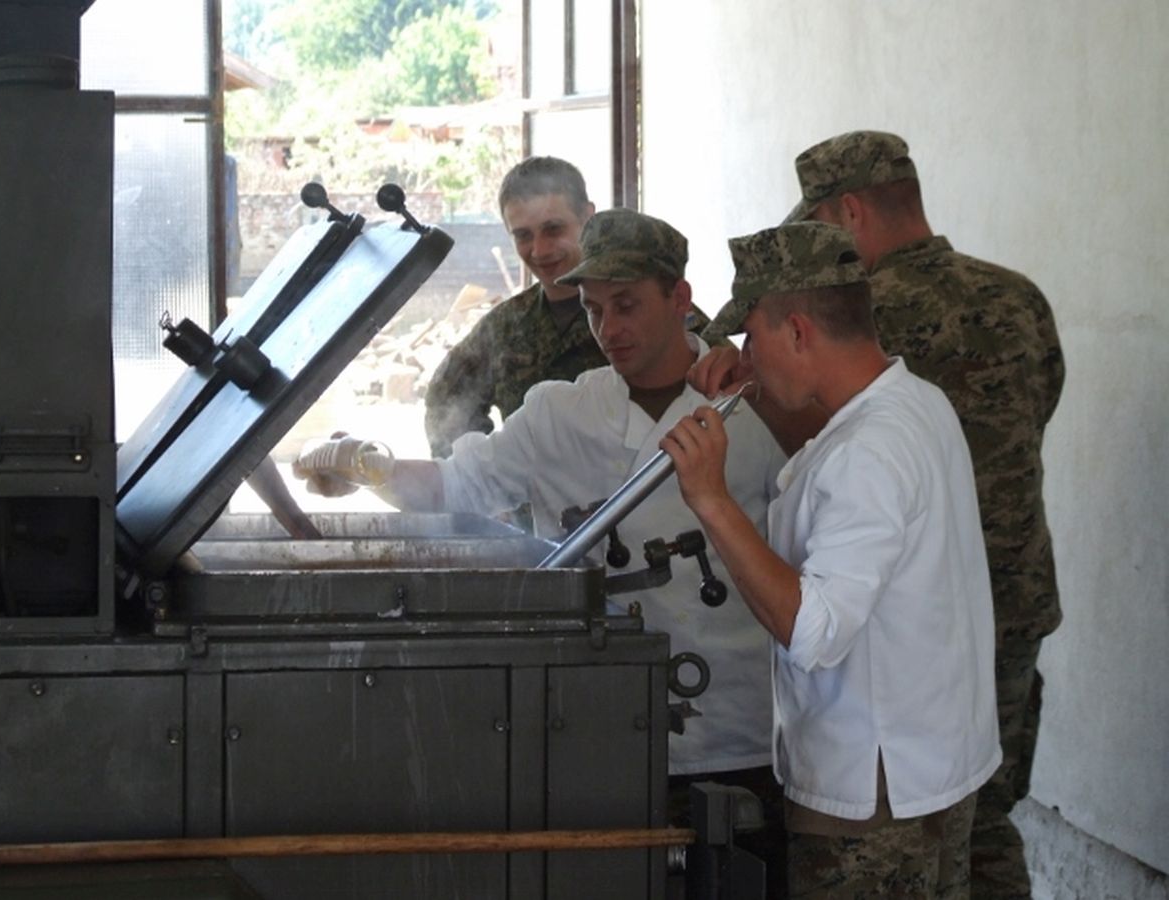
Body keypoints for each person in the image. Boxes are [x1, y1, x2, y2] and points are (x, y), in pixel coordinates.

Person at [297, 208, 789, 895]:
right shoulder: (560, 412)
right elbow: (456, 487)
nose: (608, 329)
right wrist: (365, 464)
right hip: (597, 732)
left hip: (741, 733)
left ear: (679, 297)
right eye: (593, 310)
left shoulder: (756, 405)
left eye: (627, 305)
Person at [662, 221, 1001, 898]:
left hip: (873, 803)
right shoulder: (914, 401)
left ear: (797, 331)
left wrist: (711, 499)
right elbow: (835, 464)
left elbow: (814, 631)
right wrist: (760, 387)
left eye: (751, 338)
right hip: (931, 765)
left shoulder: (867, 451)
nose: (745, 355)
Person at [781, 131, 1065, 899]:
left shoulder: (866, 316)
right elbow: (1042, 407)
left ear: (849, 210)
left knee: (920, 822)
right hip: (1014, 595)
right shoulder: (1018, 297)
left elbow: (818, 430)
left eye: (819, 226)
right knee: (985, 811)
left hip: (912, 619)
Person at [423, 156, 714, 460]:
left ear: (587, 217)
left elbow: (729, 381)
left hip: (638, 485)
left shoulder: (658, 312)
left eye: (553, 229)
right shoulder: (505, 326)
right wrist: (488, 475)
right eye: (523, 235)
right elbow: (445, 398)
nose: (540, 250)